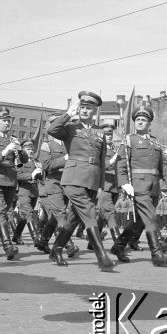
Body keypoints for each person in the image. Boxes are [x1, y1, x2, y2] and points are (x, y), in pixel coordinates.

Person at [46, 91, 114, 271]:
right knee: (90, 213)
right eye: (82, 107)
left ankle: (57, 249)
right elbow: (51, 130)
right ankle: (102, 255)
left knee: (73, 218)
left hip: (92, 180)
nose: (84, 110)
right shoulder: (70, 127)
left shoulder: (100, 132)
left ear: (94, 110)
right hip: (74, 178)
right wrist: (69, 113)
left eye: (88, 108)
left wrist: (100, 186)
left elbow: (101, 159)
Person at [114, 105, 167, 267]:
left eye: (144, 120)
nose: (140, 122)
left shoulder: (155, 143)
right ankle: (156, 254)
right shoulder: (129, 140)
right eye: (138, 120)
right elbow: (121, 164)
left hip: (154, 186)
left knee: (139, 221)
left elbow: (164, 166)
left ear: (149, 124)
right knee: (150, 217)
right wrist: (124, 183)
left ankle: (119, 246)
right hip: (138, 184)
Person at [0, 107, 29, 260]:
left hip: (10, 181)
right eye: (4, 120)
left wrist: (20, 150)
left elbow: (25, 160)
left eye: (9, 120)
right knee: (1, 212)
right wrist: (3, 152)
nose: (7, 123)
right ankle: (7, 245)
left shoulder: (13, 139)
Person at [37, 113, 79, 258]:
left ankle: (43, 241)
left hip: (67, 183)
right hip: (52, 183)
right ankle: (68, 245)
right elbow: (46, 166)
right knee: (62, 214)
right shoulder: (46, 145)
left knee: (54, 218)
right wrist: (65, 159)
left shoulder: (70, 144)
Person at [96, 123, 129, 262]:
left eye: (110, 134)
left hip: (115, 186)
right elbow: (101, 165)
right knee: (110, 213)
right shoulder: (97, 149)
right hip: (103, 185)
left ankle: (93, 241)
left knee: (104, 215)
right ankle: (117, 243)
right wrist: (113, 159)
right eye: (106, 134)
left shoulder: (115, 148)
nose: (108, 137)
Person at [13, 139, 43, 245]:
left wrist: (41, 172)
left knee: (23, 218)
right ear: (23, 149)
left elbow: (41, 177)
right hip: (23, 191)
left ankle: (16, 236)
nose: (30, 151)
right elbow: (17, 175)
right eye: (28, 149)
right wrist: (32, 175)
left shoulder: (36, 161)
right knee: (29, 214)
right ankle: (36, 238)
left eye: (32, 149)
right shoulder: (19, 160)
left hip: (34, 192)